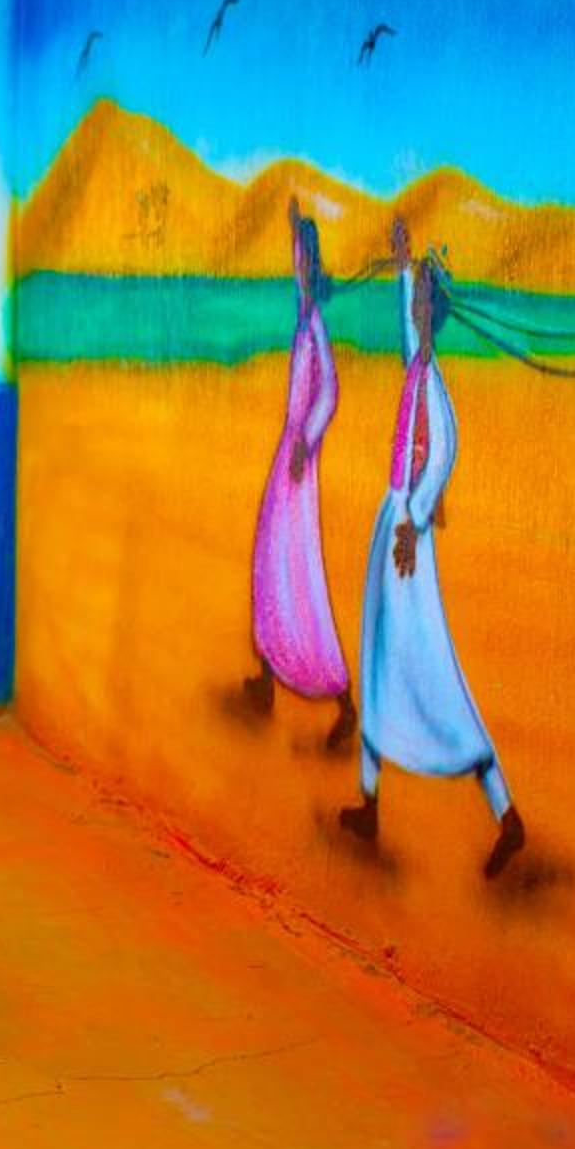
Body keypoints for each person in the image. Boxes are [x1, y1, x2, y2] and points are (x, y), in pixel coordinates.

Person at [341, 219, 526, 876]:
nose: (416, 306)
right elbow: (404, 329)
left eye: (422, 296)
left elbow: (443, 454)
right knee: (377, 652)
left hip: (405, 539)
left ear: (433, 312)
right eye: (415, 297)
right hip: (394, 522)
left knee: (429, 667)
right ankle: (369, 802)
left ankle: (505, 812)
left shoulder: (435, 389)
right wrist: (401, 265)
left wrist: (413, 523)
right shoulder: (417, 365)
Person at [241, 197, 356, 748]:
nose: (298, 269)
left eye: (305, 260)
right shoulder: (303, 314)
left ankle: (340, 698)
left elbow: (329, 391)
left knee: (295, 570)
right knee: (271, 561)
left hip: (297, 460)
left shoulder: (314, 326)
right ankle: (267, 675)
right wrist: (295, 229)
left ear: (313, 267)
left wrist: (305, 441)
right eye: (298, 259)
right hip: (290, 452)